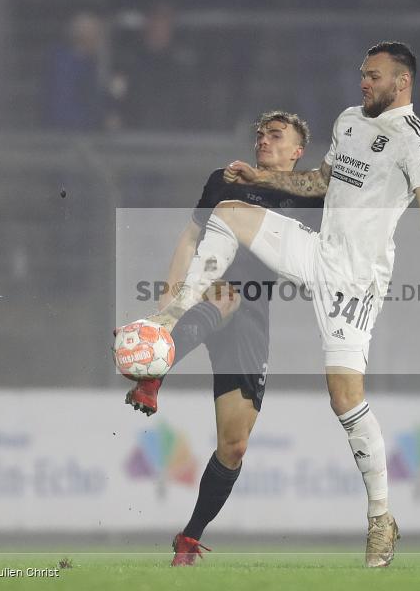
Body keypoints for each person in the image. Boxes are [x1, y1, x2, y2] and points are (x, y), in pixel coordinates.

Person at [154, 42, 420, 568]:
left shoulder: (414, 139)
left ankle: (381, 517)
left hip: (356, 281)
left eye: (374, 76)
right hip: (319, 252)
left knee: (343, 396)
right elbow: (318, 182)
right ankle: (170, 320)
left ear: (401, 82)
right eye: (362, 73)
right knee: (228, 209)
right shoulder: (348, 122)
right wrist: (262, 178)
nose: (364, 82)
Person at [124, 111, 323, 565]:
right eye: (260, 134)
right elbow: (190, 237)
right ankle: (152, 374)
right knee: (225, 295)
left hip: (254, 312)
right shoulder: (225, 180)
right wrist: (169, 305)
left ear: (297, 152)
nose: (264, 141)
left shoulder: (311, 196)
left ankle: (189, 538)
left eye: (276, 136)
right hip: (210, 290)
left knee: (235, 444)